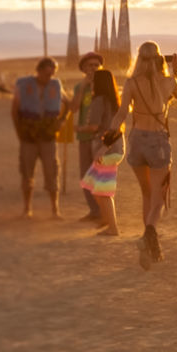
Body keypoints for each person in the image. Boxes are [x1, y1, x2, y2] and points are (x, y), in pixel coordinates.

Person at [107, 41, 177, 270]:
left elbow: (121, 114)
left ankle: (149, 246)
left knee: (146, 193)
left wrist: (108, 139)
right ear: (160, 59)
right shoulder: (167, 81)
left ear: (138, 59)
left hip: (137, 140)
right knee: (159, 196)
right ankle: (148, 235)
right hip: (157, 141)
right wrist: (175, 71)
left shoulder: (131, 83)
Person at [12, 57, 69, 219]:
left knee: (52, 173)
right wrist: (20, 133)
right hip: (28, 137)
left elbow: (67, 103)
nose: (49, 77)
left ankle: (55, 210)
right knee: (27, 173)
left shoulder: (56, 85)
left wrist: (61, 121)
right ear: (39, 70)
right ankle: (27, 209)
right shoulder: (24, 85)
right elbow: (15, 110)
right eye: (46, 73)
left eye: (52, 74)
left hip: (48, 137)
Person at [79, 69, 126, 236]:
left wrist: (78, 128)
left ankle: (113, 228)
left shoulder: (99, 100)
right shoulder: (115, 100)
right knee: (93, 185)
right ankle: (107, 220)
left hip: (105, 150)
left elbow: (94, 126)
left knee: (102, 191)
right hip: (116, 148)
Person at [70, 52, 105, 223]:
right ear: (83, 69)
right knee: (86, 176)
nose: (93, 68)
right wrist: (83, 87)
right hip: (84, 136)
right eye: (90, 65)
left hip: (100, 138)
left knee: (101, 176)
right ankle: (94, 210)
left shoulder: (104, 86)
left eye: (97, 65)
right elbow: (74, 108)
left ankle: (104, 211)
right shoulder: (79, 87)